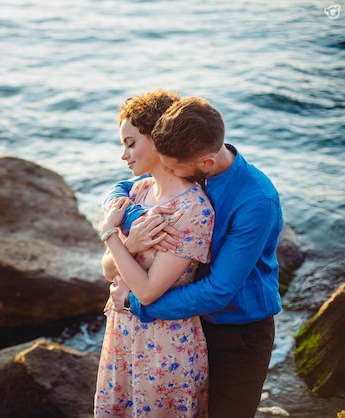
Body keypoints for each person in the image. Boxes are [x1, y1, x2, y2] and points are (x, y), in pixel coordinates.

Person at [105, 96, 283, 418]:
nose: (165, 169)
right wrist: (129, 214)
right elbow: (128, 184)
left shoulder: (256, 200)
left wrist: (135, 304)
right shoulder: (189, 156)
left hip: (238, 330)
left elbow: (218, 290)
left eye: (170, 166)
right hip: (191, 324)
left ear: (206, 164)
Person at [94, 90, 214, 417]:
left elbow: (147, 292)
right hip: (122, 336)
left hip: (164, 346)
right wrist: (128, 245)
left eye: (131, 143)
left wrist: (110, 234)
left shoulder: (192, 210)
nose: (124, 155)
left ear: (158, 139)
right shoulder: (140, 191)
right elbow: (109, 271)